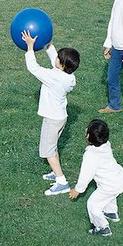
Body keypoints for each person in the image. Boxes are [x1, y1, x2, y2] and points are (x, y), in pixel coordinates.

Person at [21, 30, 80, 196]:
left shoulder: (54, 78)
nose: (55, 59)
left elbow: (33, 68)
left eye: (57, 58)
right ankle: (55, 172)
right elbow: (58, 61)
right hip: (60, 117)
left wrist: (30, 48)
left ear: (61, 65)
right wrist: (49, 45)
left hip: (52, 119)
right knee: (53, 146)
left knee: (48, 151)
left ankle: (61, 182)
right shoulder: (69, 77)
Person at [69, 119, 123, 237]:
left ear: (89, 136)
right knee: (109, 196)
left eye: (87, 129)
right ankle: (111, 213)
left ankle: (102, 227)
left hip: (110, 184)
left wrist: (78, 190)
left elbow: (86, 175)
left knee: (93, 205)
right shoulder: (106, 144)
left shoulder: (91, 155)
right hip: (119, 179)